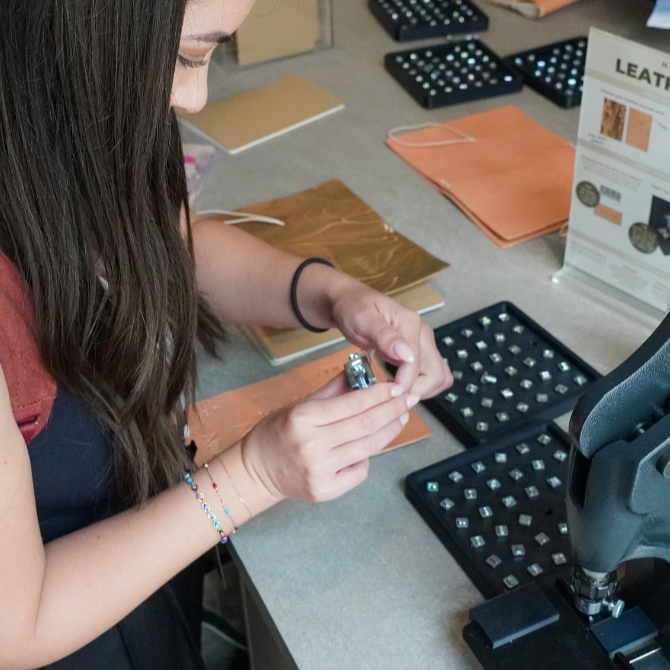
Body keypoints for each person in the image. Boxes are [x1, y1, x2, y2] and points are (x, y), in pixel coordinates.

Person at [0, 0, 452, 668]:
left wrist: (327, 294)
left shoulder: (57, 116)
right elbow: (18, 626)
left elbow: (157, 241)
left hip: (141, 568)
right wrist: (253, 475)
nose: (197, 95)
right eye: (190, 55)